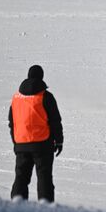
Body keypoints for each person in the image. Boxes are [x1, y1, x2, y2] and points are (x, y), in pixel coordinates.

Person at [8, 65, 63, 202]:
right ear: (41, 77)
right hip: (42, 145)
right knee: (44, 178)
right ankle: (45, 207)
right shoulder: (46, 96)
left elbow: (12, 122)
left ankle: (17, 205)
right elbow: (55, 120)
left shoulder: (16, 98)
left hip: (21, 144)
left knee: (21, 178)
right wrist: (59, 141)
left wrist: (16, 142)